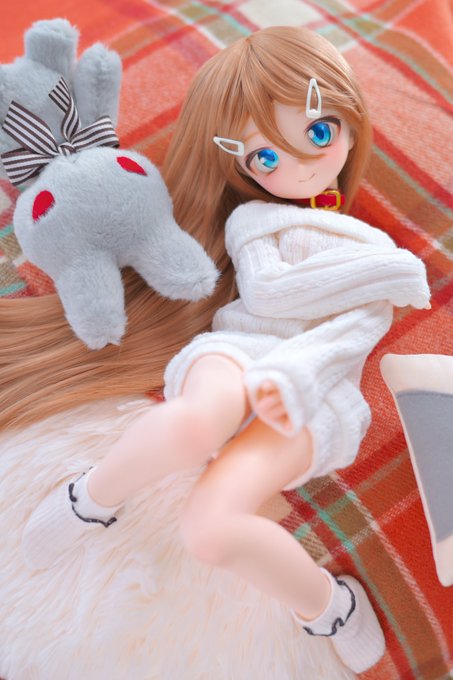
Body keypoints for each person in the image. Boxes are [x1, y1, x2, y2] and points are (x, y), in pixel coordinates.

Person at [18, 26, 430, 674]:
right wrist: (389, 274)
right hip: (241, 347)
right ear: (241, 165)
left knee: (211, 530)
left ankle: (328, 606)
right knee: (190, 425)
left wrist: (291, 382)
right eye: (265, 157)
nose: (297, 165)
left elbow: (350, 338)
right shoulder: (261, 221)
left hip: (315, 393)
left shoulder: (372, 247)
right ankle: (90, 499)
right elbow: (267, 291)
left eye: (319, 132)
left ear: (349, 125)